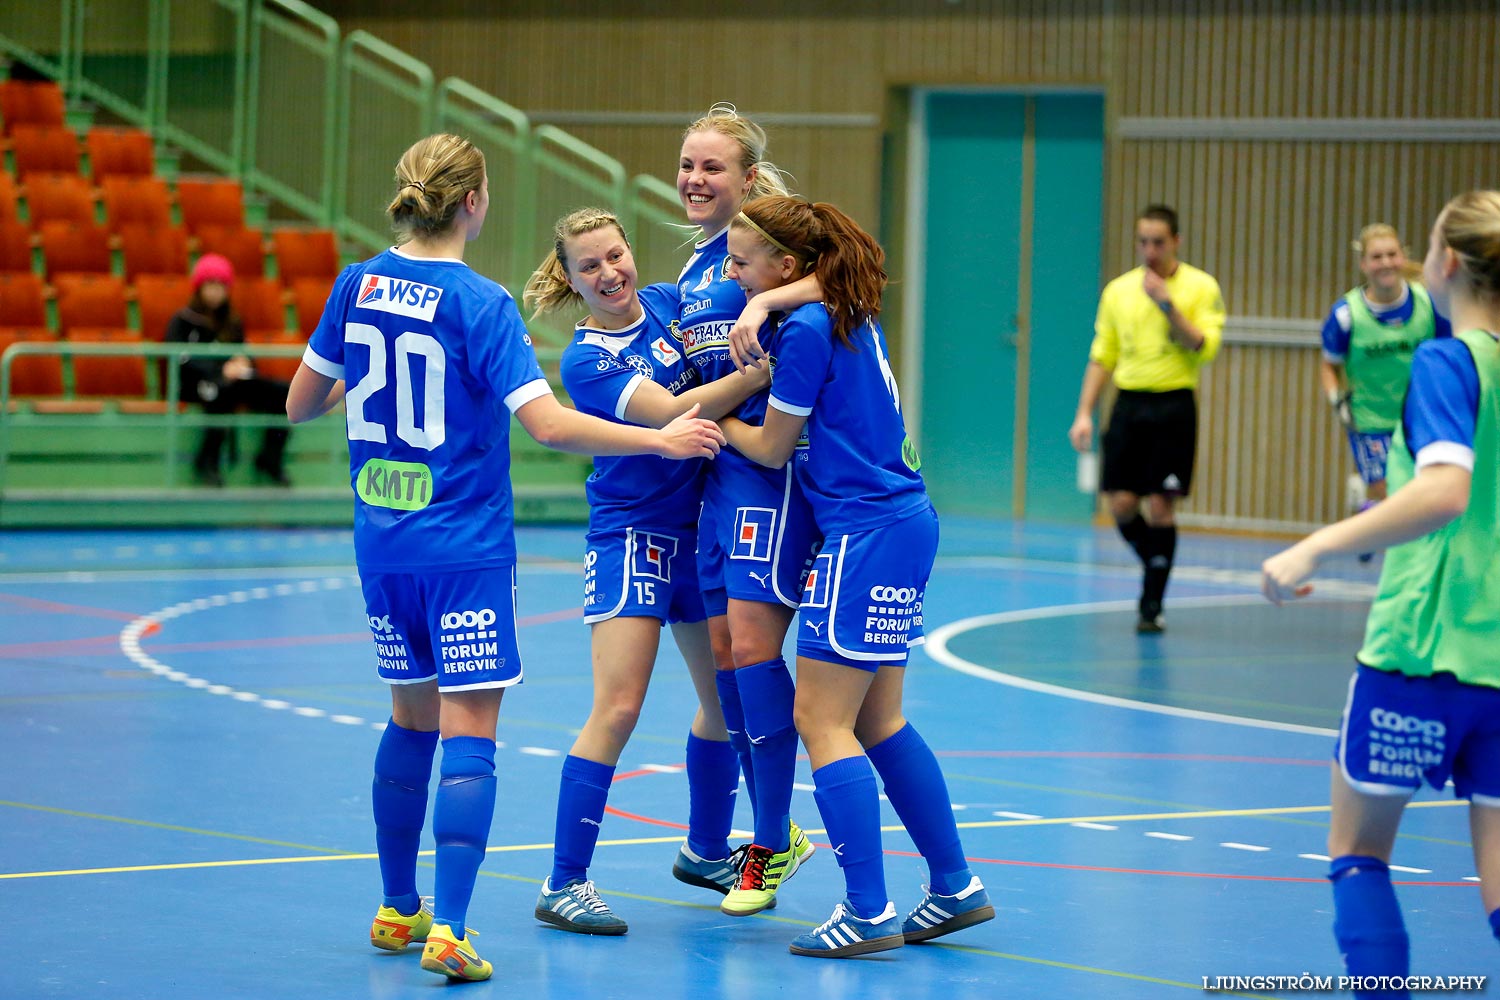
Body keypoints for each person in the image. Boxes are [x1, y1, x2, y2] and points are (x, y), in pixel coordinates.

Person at [285, 135, 723, 982]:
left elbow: (303, 403)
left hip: (383, 545)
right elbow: (549, 425)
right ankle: (449, 928)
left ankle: (395, 907)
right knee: (469, 733)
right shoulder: (481, 303)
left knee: (408, 721)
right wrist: (661, 440)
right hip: (466, 547)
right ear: (476, 201)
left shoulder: (356, 283)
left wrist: (372, 369)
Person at [719, 195, 994, 958]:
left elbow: (772, 449)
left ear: (786, 265)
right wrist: (771, 296)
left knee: (822, 720)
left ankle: (867, 910)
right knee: (878, 720)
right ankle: (954, 886)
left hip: (866, 532)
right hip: (904, 523)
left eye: (744, 263)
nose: (734, 274)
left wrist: (710, 425)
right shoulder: (839, 305)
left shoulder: (805, 329)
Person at [1262, 190, 1500, 995]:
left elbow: (1444, 491)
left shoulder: (1449, 362)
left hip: (1421, 649)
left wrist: (1316, 545)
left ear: (1446, 264)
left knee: (1358, 854)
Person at [520, 208, 771, 934]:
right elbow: (674, 415)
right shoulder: (588, 358)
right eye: (589, 266)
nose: (609, 274)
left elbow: (740, 272)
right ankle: (564, 881)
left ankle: (703, 849)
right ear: (570, 279)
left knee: (725, 704)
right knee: (620, 706)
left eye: (615, 255)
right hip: (633, 535)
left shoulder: (667, 303)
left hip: (698, 530)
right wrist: (759, 378)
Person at [672, 104, 822, 915]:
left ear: (749, 179)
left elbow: (849, 273)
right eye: (688, 165)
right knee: (726, 659)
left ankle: (770, 839)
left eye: (713, 167)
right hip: (716, 484)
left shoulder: (783, 260)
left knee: (755, 653)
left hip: (774, 475)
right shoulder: (700, 268)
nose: (695, 180)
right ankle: (752, 838)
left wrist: (765, 304)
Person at [1067, 204, 1226, 633]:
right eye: (1143, 241)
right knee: (1120, 504)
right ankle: (1157, 562)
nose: (1150, 250)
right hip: (1130, 405)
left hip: (1174, 404)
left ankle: (1151, 603)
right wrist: (1084, 413)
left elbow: (1202, 346)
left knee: (1160, 504)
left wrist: (1168, 306)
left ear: (1175, 241)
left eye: (1158, 241)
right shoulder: (1118, 291)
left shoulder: (1200, 286)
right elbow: (1103, 356)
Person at [1319, 224, 1450, 513]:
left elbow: (1449, 352)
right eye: (1377, 257)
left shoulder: (1429, 304)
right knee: (1389, 493)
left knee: (1419, 491)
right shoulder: (1345, 315)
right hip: (1371, 419)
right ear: (1364, 264)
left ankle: (1369, 514)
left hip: (1421, 415)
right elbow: (1330, 366)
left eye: (1392, 254)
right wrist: (1335, 399)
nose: (1386, 262)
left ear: (1403, 257)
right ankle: (1375, 511)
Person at [165, 252, 291, 486]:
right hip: (197, 385)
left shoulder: (233, 321)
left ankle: (270, 458)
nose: (215, 291)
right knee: (220, 394)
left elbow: (245, 352)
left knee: (283, 394)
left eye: (221, 285)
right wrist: (219, 371)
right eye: (210, 284)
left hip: (234, 381)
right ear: (199, 286)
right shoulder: (182, 320)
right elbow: (180, 359)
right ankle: (208, 460)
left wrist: (244, 363)